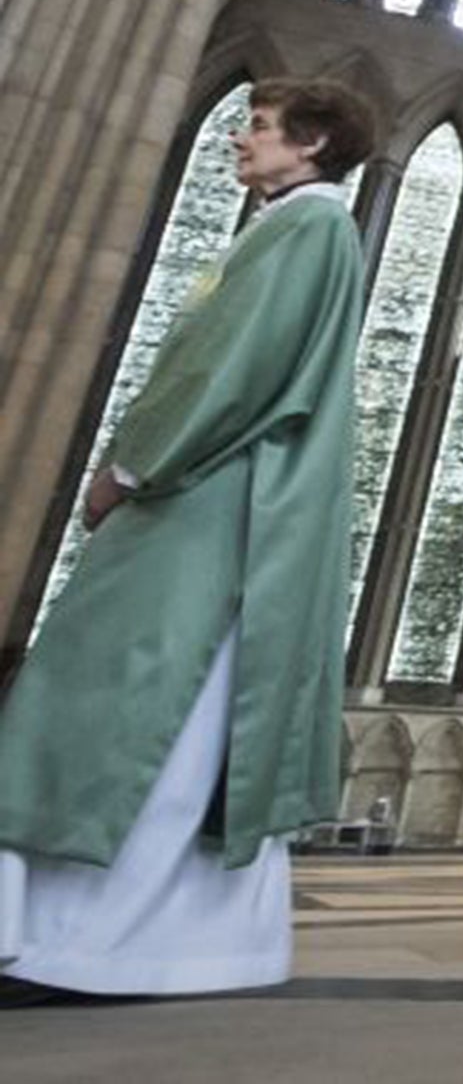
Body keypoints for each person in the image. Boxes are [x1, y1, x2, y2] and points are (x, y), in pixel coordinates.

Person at [0, 77, 376, 1001]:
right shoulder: (293, 229)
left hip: (211, 500)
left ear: (313, 142)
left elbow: (229, 370)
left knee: (142, 712)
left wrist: (130, 468)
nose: (240, 143)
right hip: (215, 498)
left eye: (258, 128)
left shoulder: (309, 229)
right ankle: (92, 937)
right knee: (141, 712)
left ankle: (91, 943)